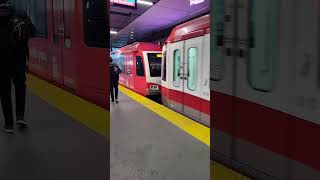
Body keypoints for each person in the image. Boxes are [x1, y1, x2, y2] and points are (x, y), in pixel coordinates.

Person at [0, 0, 35, 133]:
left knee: (4, 91)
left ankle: (8, 124)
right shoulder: (20, 14)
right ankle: (20, 116)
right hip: (18, 59)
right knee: (20, 86)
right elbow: (32, 32)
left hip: (1, 62)